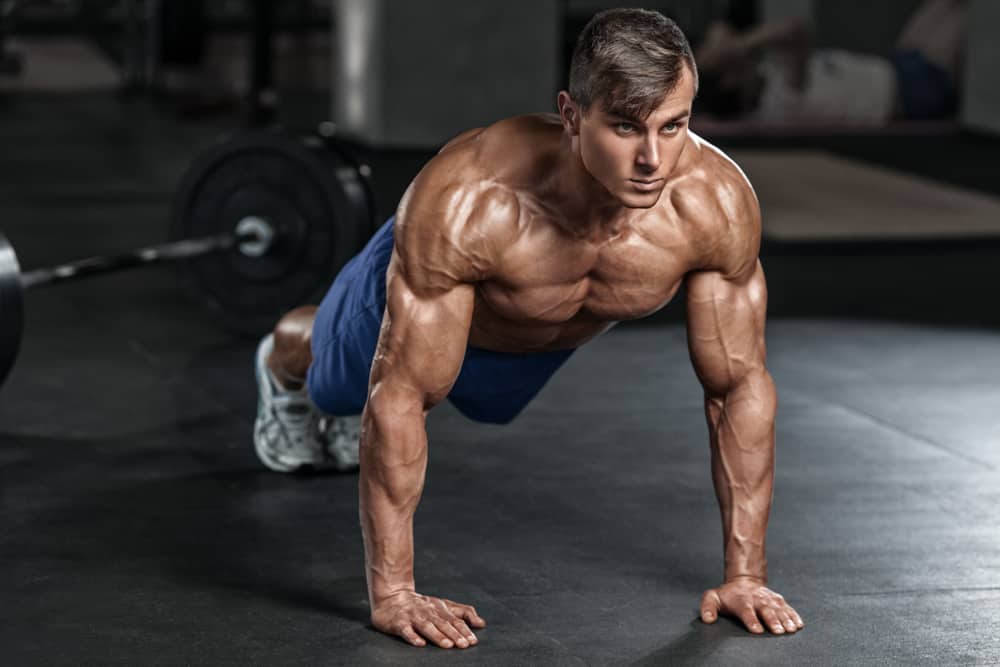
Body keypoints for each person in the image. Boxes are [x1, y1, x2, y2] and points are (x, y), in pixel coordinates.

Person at [252, 8, 804, 649]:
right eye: (625, 128)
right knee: (335, 383)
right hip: (439, 282)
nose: (653, 158)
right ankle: (278, 362)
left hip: (530, 342)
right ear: (571, 115)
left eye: (673, 126)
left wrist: (746, 576)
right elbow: (400, 393)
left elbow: (737, 387)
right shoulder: (469, 200)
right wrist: (395, 593)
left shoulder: (714, 205)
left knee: (481, 408)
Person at [694, 0, 968, 124]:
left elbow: (718, 31)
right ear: (731, 81)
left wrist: (723, 48)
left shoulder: (765, 80)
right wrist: (737, 46)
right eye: (732, 64)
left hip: (897, 65)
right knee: (965, 11)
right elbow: (795, 31)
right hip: (914, 90)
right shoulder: (778, 108)